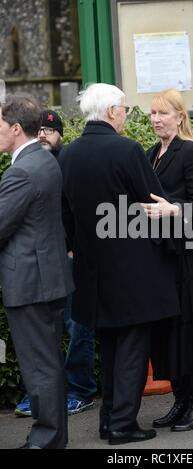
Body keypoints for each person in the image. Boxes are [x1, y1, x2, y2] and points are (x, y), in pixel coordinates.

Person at [58, 83, 180, 445]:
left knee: (110, 345)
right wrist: (175, 211)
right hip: (132, 267)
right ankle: (123, 425)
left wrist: (72, 247)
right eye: (125, 108)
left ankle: (109, 420)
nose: (127, 114)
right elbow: (152, 199)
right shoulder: (127, 150)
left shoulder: (68, 153)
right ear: (111, 111)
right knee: (131, 347)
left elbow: (65, 213)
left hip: (91, 268)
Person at [0, 95, 74, 449]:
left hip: (30, 282)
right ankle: (52, 436)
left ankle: (46, 440)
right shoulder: (42, 160)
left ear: (15, 128)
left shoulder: (22, 171)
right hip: (46, 278)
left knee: (39, 367)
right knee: (48, 364)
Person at [15, 110, 97, 418]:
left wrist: (75, 249)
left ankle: (81, 391)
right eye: (39, 129)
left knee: (77, 328)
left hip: (71, 259)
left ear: (60, 133)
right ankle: (45, 395)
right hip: (43, 261)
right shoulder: (29, 164)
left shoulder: (69, 163)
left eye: (50, 129)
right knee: (45, 330)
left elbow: (82, 210)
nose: (44, 134)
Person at [142, 89, 193, 432]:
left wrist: (172, 209)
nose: (156, 119)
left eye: (163, 113)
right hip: (161, 256)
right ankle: (181, 400)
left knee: (191, 328)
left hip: (186, 255)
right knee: (169, 331)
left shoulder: (192, 151)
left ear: (180, 116)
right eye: (153, 113)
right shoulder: (151, 153)